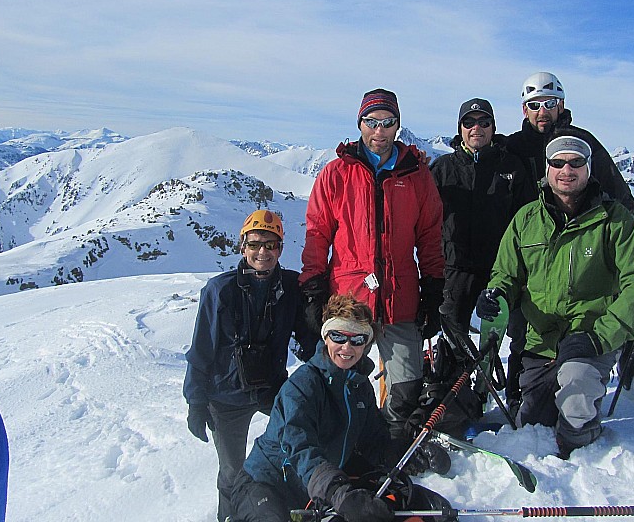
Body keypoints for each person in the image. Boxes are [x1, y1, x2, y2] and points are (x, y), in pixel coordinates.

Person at [477, 133, 634, 458]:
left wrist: (600, 337)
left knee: (576, 395)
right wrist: (497, 294)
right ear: (547, 169)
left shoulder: (614, 220)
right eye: (558, 162)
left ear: (588, 169)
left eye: (576, 162)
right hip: (541, 344)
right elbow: (506, 274)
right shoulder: (526, 220)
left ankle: (580, 446)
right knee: (533, 423)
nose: (567, 170)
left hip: (590, 339)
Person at [504, 71, 634, 407]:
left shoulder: (582, 142)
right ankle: (520, 392)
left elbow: (617, 193)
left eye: (550, 103)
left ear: (561, 105)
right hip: (532, 247)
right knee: (523, 325)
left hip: (587, 242)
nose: (543, 111)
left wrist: (615, 241)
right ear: (524, 109)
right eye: (535, 104)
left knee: (615, 305)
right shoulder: (512, 147)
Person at [299, 88, 446, 444]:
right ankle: (340, 445)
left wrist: (434, 286)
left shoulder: (417, 175)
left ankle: (388, 446)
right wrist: (313, 286)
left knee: (406, 386)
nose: (379, 130)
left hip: (400, 299)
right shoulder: (336, 174)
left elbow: (430, 236)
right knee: (341, 380)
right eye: (372, 122)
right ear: (360, 124)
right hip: (349, 299)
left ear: (397, 125)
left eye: (388, 122)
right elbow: (317, 234)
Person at [230, 293, 449, 522]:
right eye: (338, 336)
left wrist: (409, 453)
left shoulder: (359, 386)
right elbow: (300, 448)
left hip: (314, 489)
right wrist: (338, 493)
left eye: (357, 339)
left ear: (366, 344)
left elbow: (374, 441)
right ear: (326, 337)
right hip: (266, 483)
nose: (347, 347)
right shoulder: (303, 386)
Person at [182, 209, 318, 522]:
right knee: (232, 471)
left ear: (280, 249)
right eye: (255, 244)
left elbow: (307, 340)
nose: (262, 252)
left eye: (271, 245)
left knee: (296, 446)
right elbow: (201, 350)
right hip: (226, 397)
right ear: (243, 246)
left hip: (272, 390)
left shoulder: (291, 287)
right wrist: (196, 402)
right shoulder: (219, 291)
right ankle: (229, 516)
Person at [429, 97, 531, 349]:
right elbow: (424, 219)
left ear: (493, 127)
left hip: (501, 268)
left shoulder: (511, 167)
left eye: (484, 122)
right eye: (469, 122)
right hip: (456, 268)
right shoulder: (442, 169)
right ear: (460, 128)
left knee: (511, 335)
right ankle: (454, 372)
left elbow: (527, 220)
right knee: (453, 337)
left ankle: (503, 368)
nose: (477, 128)